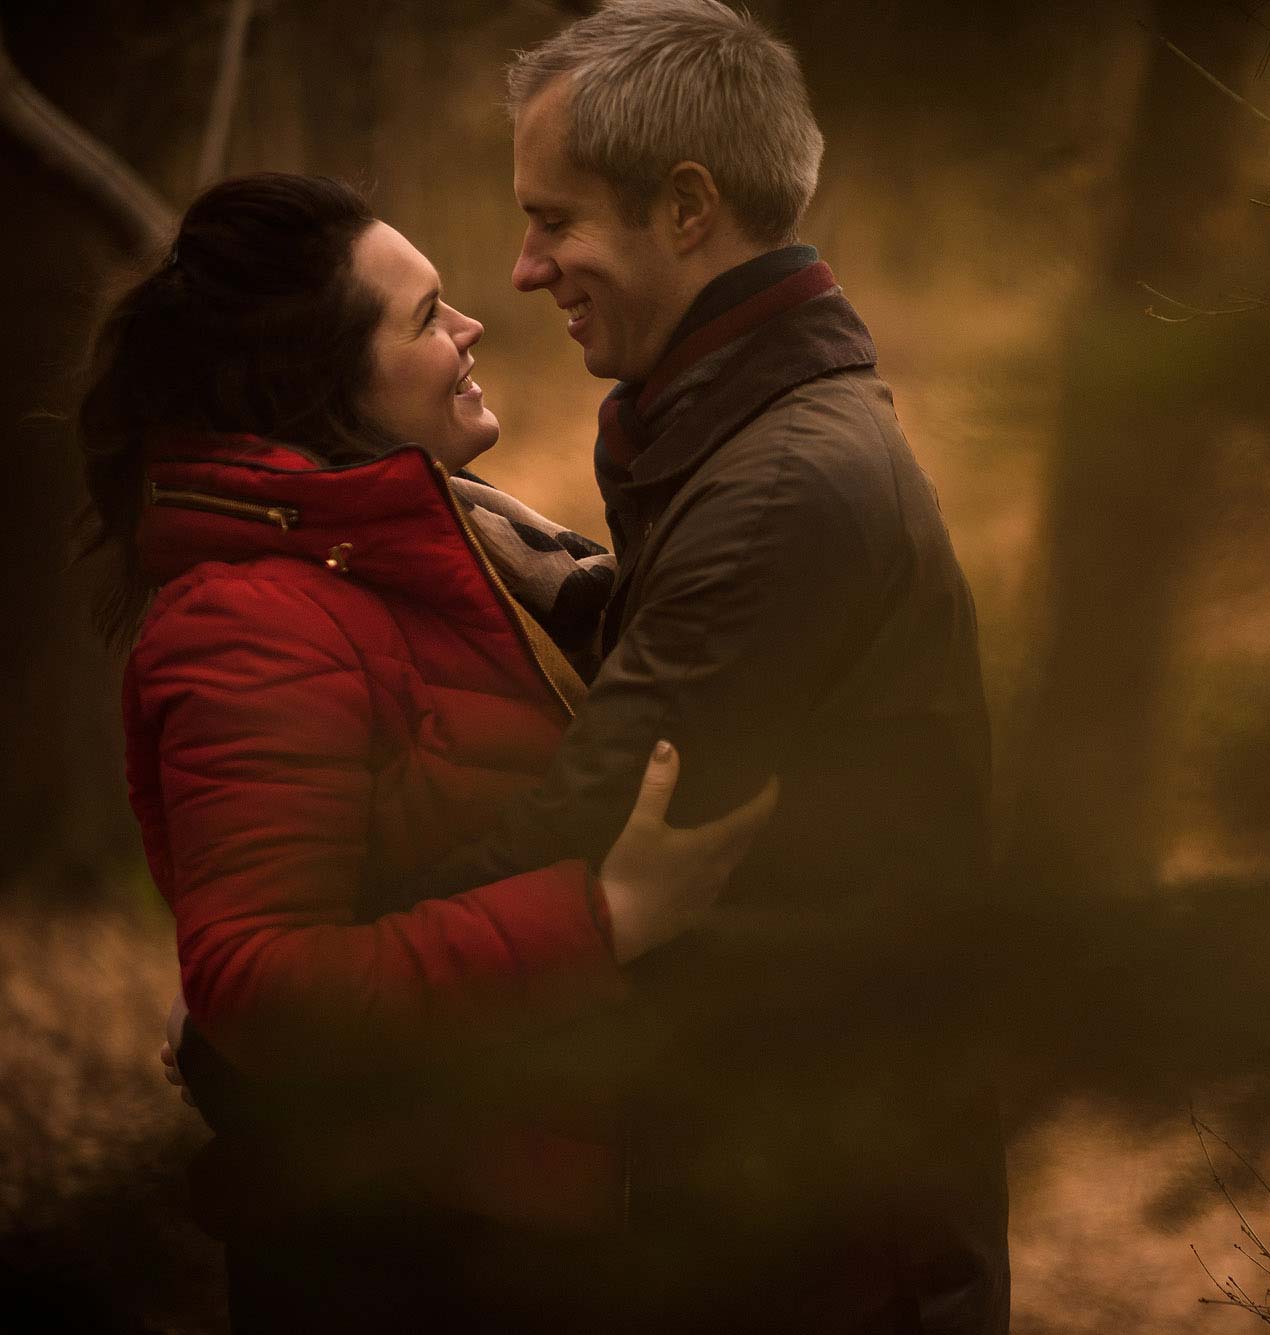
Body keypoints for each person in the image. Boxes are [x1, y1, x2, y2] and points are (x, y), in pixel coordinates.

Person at [81, 171, 775, 1332]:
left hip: (507, 1222)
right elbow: (263, 986)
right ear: (326, 387)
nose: (470, 329)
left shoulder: (448, 545)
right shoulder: (251, 619)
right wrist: (603, 918)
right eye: (423, 316)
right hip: (395, 1255)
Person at [428, 3, 1011, 1329]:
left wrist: (282, 1004)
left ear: (686, 209)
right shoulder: (747, 443)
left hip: (829, 1253)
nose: (525, 268)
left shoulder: (778, 490)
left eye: (555, 219)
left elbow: (577, 838)